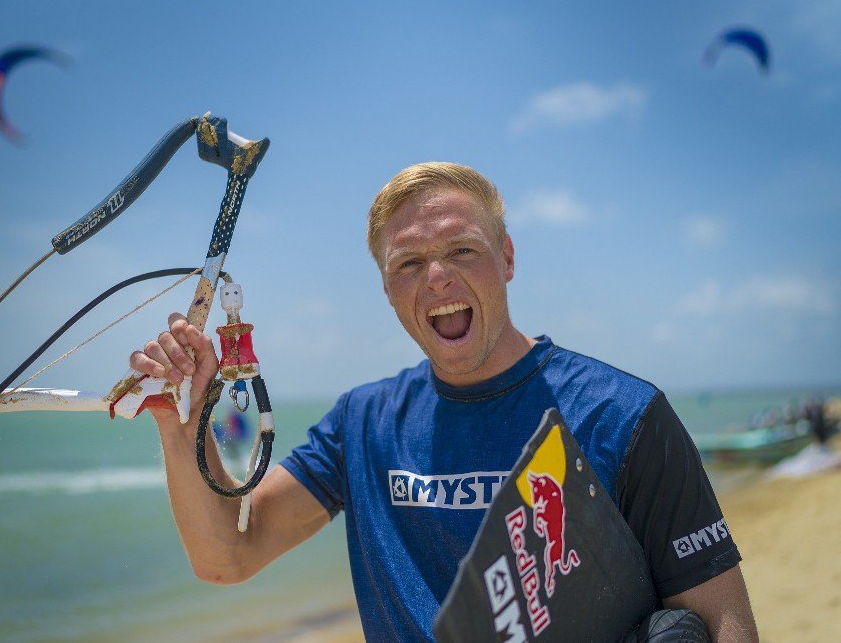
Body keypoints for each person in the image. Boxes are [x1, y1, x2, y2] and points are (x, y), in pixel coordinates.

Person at [129, 163, 758, 642]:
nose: (437, 276)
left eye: (462, 250)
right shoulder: (364, 424)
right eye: (409, 262)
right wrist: (185, 425)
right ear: (386, 288)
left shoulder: (623, 414)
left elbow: (722, 618)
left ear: (506, 258)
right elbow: (226, 557)